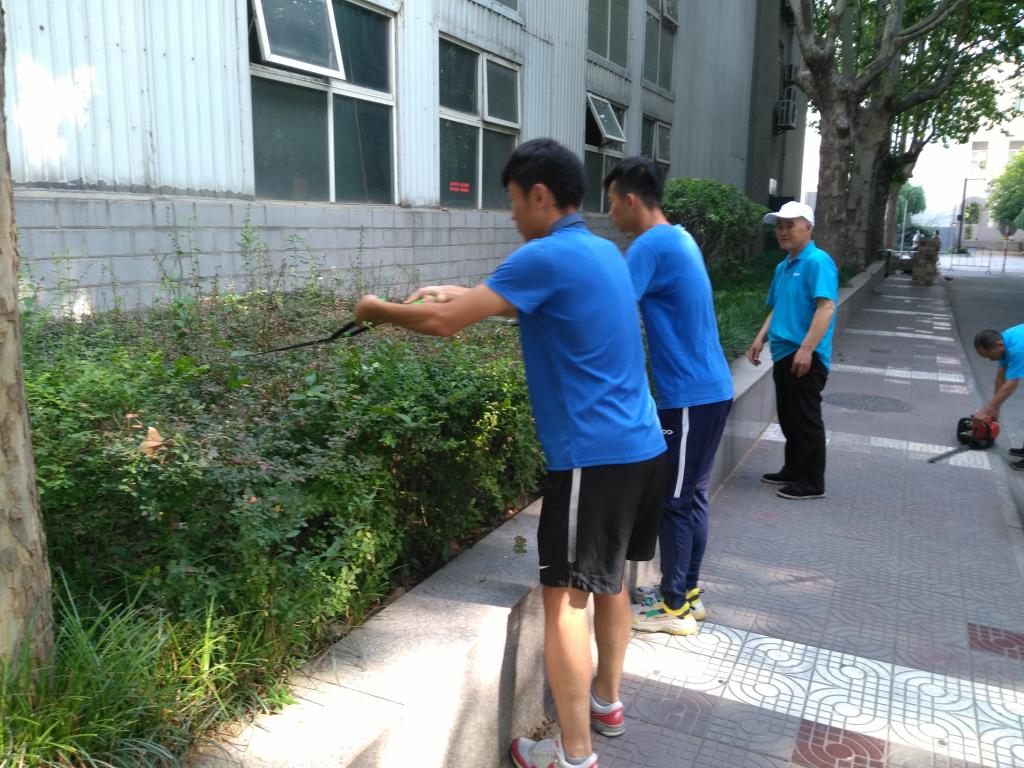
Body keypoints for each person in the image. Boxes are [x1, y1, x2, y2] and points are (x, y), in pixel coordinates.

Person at [355, 139, 666, 768]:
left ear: (540, 196)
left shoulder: (543, 255)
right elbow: (515, 302)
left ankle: (572, 755)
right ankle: (606, 703)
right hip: (643, 448)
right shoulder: (602, 251)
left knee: (565, 606)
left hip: (593, 460)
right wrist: (452, 292)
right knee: (609, 585)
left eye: (515, 201)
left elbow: (445, 324)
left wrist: (375, 311)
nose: (512, 214)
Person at [602, 157, 733, 637]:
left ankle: (674, 606)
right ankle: (687, 593)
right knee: (692, 497)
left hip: (688, 396)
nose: (611, 213)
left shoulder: (649, 245)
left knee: (675, 500)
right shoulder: (681, 238)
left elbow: (609, 306)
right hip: (711, 391)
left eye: (612, 203)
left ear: (631, 200)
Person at [745, 201, 838, 500]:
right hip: (784, 352)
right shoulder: (783, 266)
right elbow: (778, 307)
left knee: (805, 418)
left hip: (805, 356)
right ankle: (794, 469)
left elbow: (826, 307)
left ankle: (812, 482)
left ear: (808, 228)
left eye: (790, 225)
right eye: (779, 226)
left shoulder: (817, 262)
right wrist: (760, 338)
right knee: (789, 416)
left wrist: (807, 349)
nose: (782, 232)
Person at [973, 325, 1024, 470]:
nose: (991, 360)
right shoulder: (1004, 341)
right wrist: (995, 409)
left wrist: (985, 410)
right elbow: (1001, 376)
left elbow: (1011, 384)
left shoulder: (1017, 349)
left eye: (991, 356)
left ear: (999, 345)